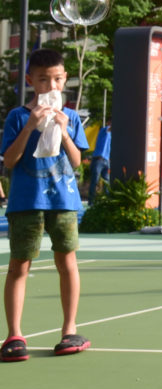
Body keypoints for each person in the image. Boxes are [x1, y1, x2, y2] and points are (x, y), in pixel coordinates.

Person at [2, 48, 91, 362]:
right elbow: (10, 161)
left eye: (56, 79)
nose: (51, 87)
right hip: (26, 201)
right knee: (19, 267)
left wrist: (64, 132)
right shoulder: (18, 116)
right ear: (30, 81)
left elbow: (77, 162)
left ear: (65, 78)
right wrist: (30, 127)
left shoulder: (72, 117)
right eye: (43, 80)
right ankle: (14, 335)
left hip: (64, 200)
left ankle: (69, 329)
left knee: (66, 263)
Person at [87, 121, 112, 203]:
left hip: (107, 160)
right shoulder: (103, 130)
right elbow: (109, 129)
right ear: (109, 123)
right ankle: (91, 201)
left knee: (107, 181)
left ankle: (107, 200)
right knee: (95, 180)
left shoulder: (112, 135)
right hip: (98, 160)